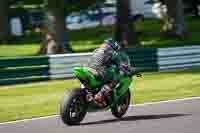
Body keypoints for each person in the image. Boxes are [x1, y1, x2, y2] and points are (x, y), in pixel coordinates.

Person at [85, 38, 133, 106]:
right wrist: (127, 70)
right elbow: (121, 65)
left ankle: (86, 92)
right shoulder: (113, 53)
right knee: (115, 79)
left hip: (87, 69)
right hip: (99, 71)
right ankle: (100, 95)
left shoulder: (96, 51)